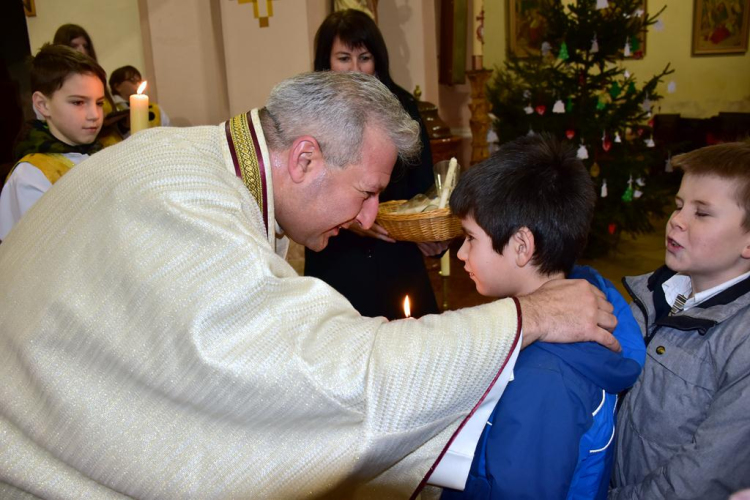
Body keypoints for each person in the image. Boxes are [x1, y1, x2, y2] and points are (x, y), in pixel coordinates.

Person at [0, 71, 619, 499]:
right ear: (303, 159)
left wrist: (350, 214)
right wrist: (524, 318)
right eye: (368, 192)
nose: (372, 215)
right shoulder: (184, 205)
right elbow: (327, 379)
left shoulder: (195, 162)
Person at [440, 135, 645, 500]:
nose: (460, 254)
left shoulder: (542, 380)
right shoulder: (591, 290)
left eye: (470, 238)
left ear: (522, 246)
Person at [611, 141, 750, 499]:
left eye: (701, 213)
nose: (677, 220)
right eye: (678, 205)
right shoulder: (655, 292)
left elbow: (699, 480)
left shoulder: (742, 343)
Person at [305, 9, 442, 319]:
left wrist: (431, 234)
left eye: (364, 58)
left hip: (395, 251)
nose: (355, 69)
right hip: (337, 254)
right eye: (344, 58)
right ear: (326, 62)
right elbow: (304, 189)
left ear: (378, 61)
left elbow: (424, 186)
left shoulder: (403, 106)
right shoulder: (309, 112)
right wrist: (346, 217)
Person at [0, 44, 104, 241]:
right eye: (78, 102)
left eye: (99, 103)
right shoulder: (31, 176)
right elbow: (44, 250)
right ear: (42, 104)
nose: (94, 115)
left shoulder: (102, 152)